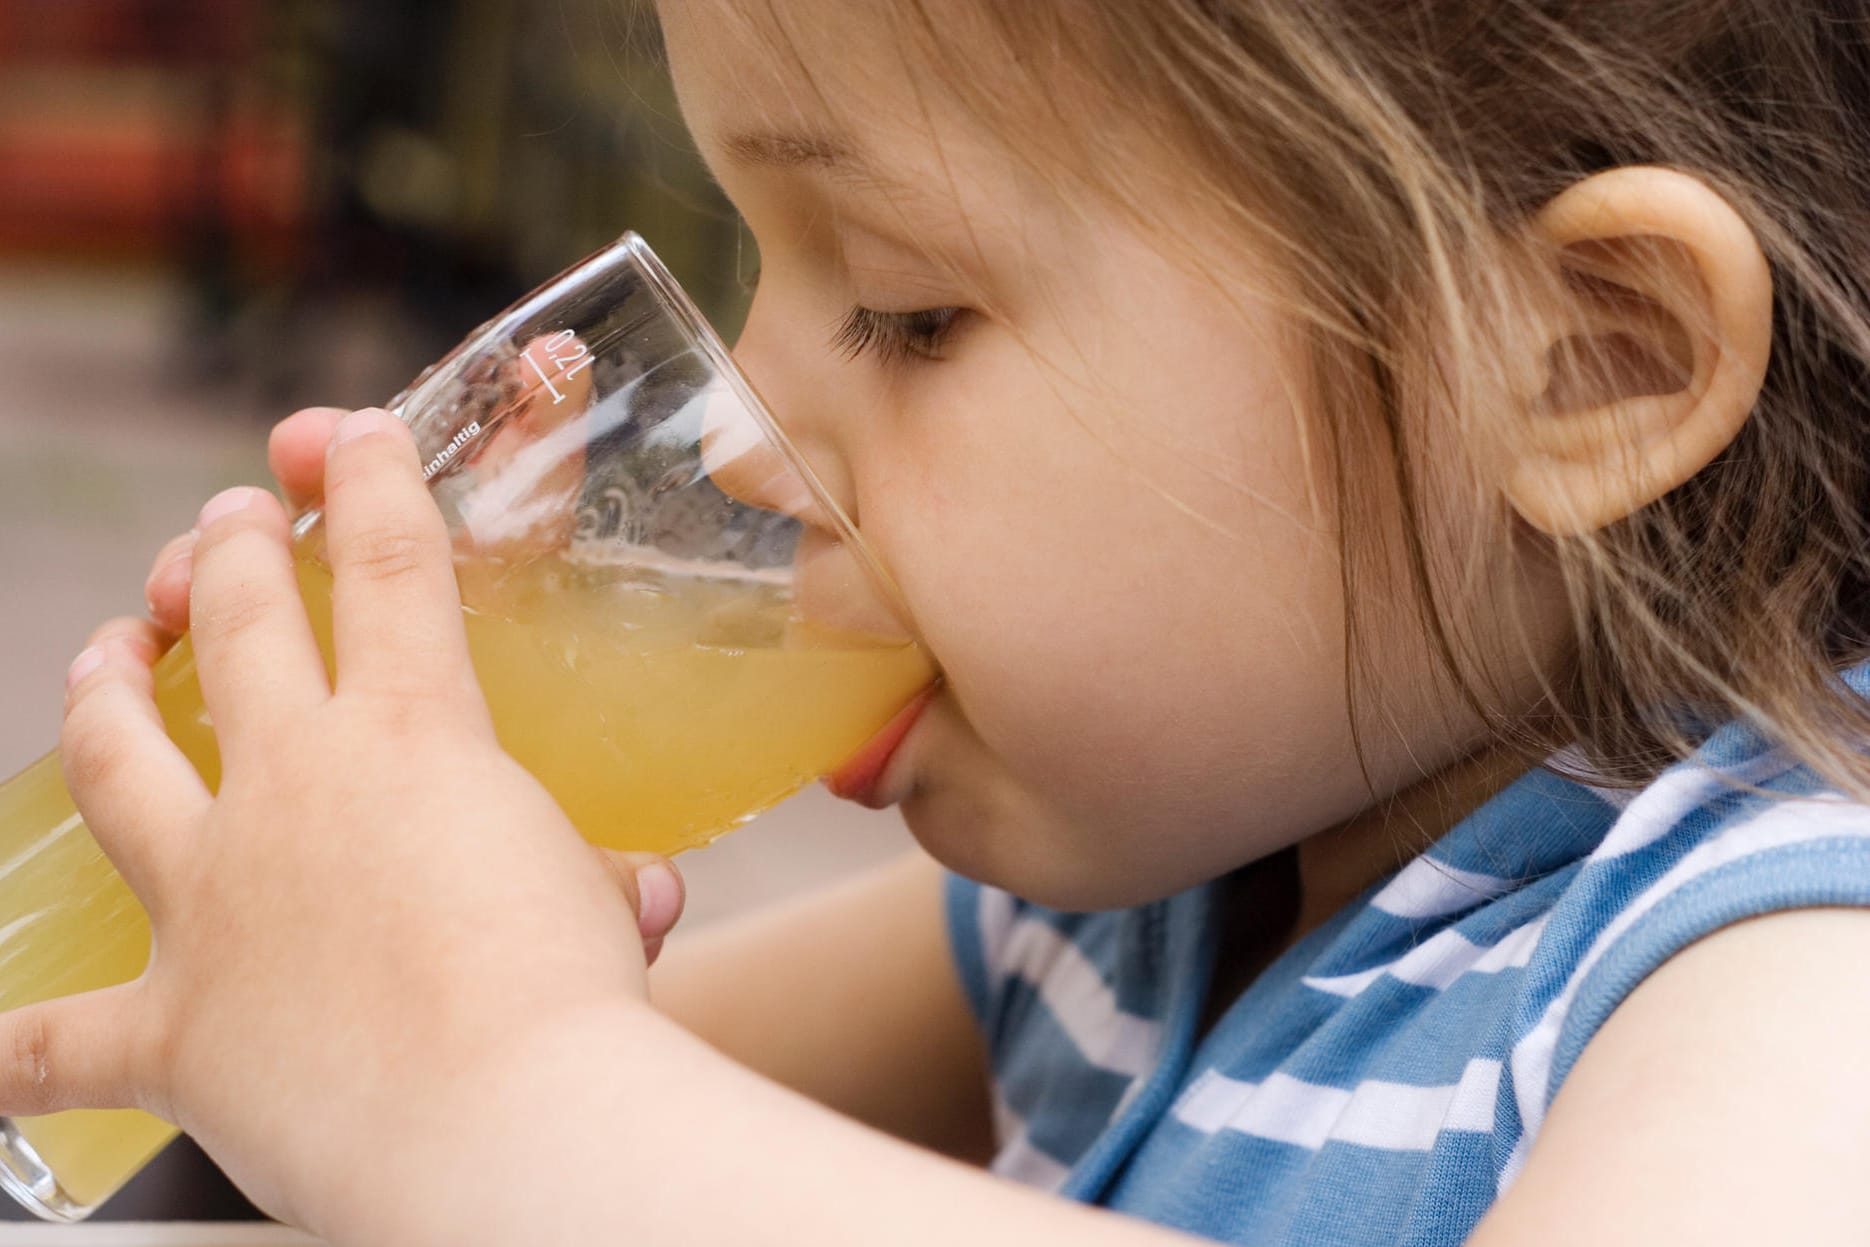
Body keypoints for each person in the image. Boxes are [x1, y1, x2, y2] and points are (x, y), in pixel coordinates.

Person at [19, 1, 1870, 1242]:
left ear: (1577, 368)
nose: (742, 436)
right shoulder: (1113, 919)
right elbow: (370, 1144)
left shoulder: (1781, 963)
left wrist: (476, 1081)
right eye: (749, 265)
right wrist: (391, 905)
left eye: (905, 310)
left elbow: (519, 1128)